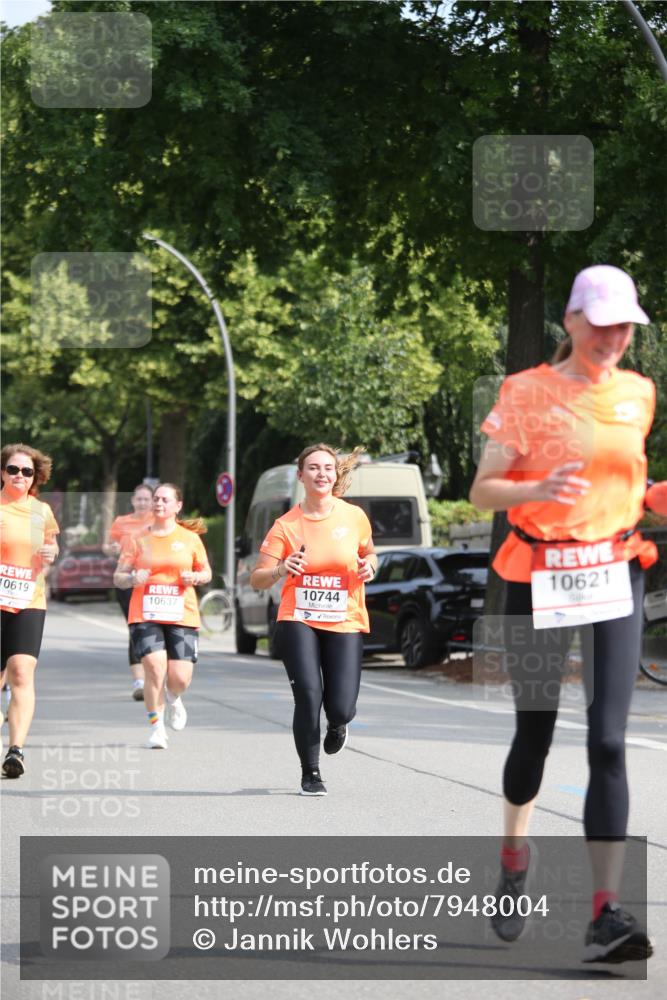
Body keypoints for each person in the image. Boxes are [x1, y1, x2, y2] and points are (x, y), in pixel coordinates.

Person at [470, 265, 664, 963]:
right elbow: (483, 490)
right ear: (571, 319)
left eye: (624, 325)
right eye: (601, 322)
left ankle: (604, 913)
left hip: (612, 570)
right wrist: (537, 483)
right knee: (535, 733)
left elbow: (624, 478)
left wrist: (652, 496)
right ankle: (514, 857)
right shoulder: (524, 392)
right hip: (537, 572)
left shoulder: (638, 394)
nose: (613, 336)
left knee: (607, 740)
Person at [251, 444, 377, 796]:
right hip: (298, 618)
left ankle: (338, 724)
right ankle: (311, 773)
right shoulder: (286, 525)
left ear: (335, 475)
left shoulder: (353, 516)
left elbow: (369, 552)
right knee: (308, 695)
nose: (321, 473)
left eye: (328, 468)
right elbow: (256, 578)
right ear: (300, 475)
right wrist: (280, 568)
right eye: (313, 468)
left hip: (345, 618)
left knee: (340, 706)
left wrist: (371, 565)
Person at [113, 483, 211, 750]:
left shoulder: (190, 539)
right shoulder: (137, 539)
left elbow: (207, 572)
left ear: (177, 506)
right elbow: (118, 577)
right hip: (145, 612)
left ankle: (174, 697)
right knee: (155, 668)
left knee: (179, 677)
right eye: (156, 499)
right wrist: (132, 577)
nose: (158, 503)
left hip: (182, 613)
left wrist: (196, 577)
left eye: (165, 500)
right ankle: (156, 728)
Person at [0, 444, 59, 778]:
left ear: (36, 476)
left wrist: (50, 553)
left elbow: (52, 547)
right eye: (13, 469)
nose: (19, 476)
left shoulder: (42, 511)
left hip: (28, 601)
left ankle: (15, 750)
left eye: (27, 471)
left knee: (22, 671)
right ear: (2, 472)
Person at [104, 484, 154, 700]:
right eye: (139, 499)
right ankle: (139, 681)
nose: (143, 502)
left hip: (152, 580)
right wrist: (113, 549)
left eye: (146, 499)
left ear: (152, 501)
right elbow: (107, 546)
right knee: (135, 627)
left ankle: (155, 675)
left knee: (152, 627)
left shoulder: (158, 522)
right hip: (127, 579)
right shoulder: (121, 522)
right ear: (133, 501)